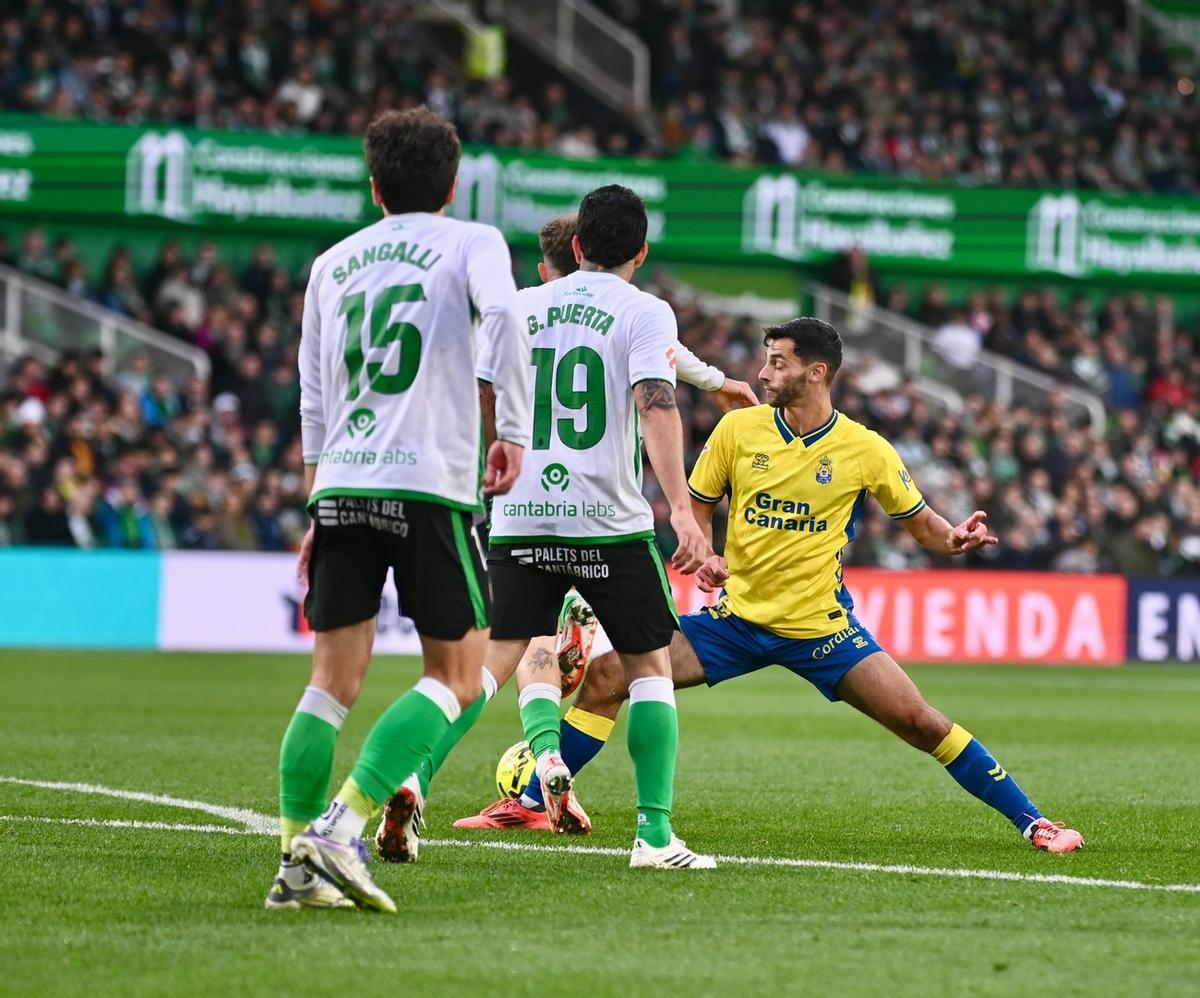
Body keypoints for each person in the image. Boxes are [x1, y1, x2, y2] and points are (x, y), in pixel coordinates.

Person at [454, 317, 1085, 855]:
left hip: (820, 631)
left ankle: (1033, 821)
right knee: (607, 676)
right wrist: (700, 548)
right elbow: (696, 504)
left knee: (922, 722)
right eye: (765, 359)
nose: (762, 372)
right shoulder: (738, 431)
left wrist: (956, 539)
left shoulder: (865, 449)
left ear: (817, 373)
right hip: (734, 623)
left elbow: (921, 524)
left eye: (778, 363)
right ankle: (535, 800)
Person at [374, 207, 756, 868]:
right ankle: (655, 837)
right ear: (639, 253)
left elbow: (484, 387)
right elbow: (655, 402)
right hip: (607, 520)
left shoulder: (521, 306)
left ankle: (414, 779)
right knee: (650, 671)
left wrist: (499, 451)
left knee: (483, 670)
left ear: (575, 246)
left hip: (522, 513)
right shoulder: (645, 309)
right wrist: (683, 511)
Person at [267, 106, 530, 913]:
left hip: (342, 480)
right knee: (459, 674)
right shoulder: (472, 242)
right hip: (427, 481)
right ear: (452, 184)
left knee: (328, 683)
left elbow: (313, 392)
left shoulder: (333, 261)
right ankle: (341, 828)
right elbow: (510, 314)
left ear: (374, 185)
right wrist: (512, 429)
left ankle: (295, 862)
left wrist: (317, 495)